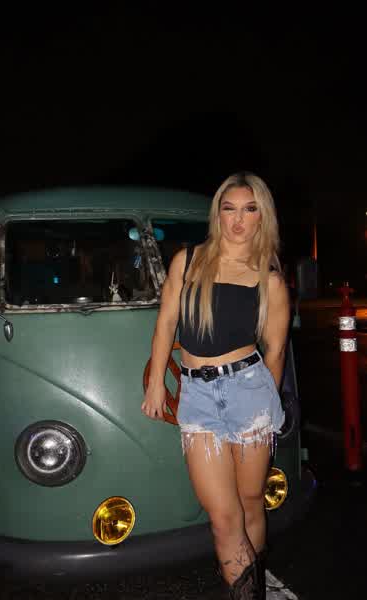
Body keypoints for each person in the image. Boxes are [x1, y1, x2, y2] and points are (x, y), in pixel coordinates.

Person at [141, 172, 290, 599]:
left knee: (250, 501)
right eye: (229, 209)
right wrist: (156, 383)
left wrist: (268, 409)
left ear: (262, 217)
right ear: (218, 214)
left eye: (249, 209)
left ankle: (252, 583)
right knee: (224, 518)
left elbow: (275, 352)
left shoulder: (269, 280)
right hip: (198, 397)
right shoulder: (187, 261)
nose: (238, 220)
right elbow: (166, 322)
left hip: (250, 392)